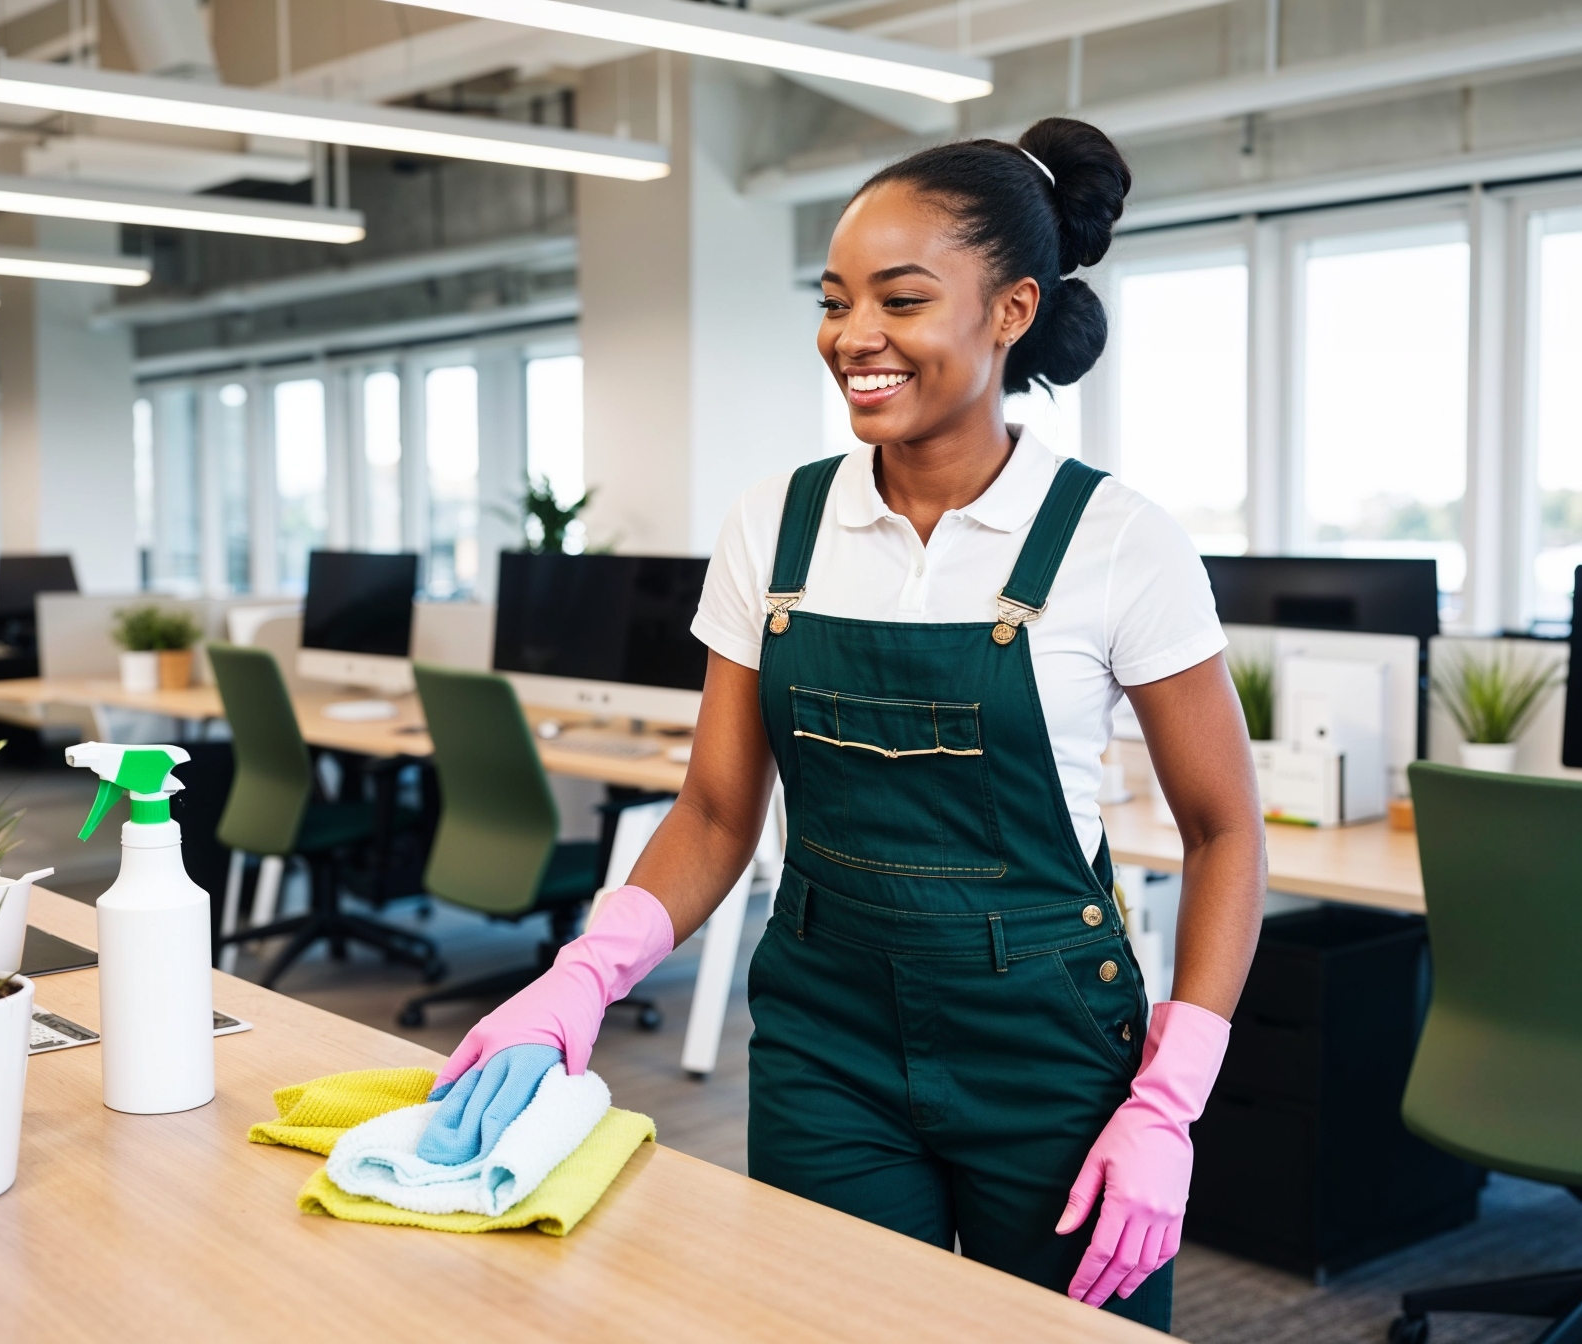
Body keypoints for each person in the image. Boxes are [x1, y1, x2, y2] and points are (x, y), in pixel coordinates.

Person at [436, 117, 1266, 1329]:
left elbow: (1224, 829)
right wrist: (579, 980)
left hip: (1045, 1046)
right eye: (834, 301)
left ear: (1011, 312)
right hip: (827, 1036)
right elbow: (719, 814)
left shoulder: (1117, 542)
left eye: (901, 299)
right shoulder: (774, 527)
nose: (854, 337)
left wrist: (1170, 1095)